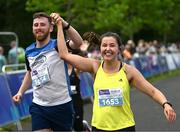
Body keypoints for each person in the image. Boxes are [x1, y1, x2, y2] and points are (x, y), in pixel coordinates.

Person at [51, 13, 176, 131]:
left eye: (112, 45)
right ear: (100, 48)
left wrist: (165, 104)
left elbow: (152, 91)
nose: (107, 49)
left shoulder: (128, 71)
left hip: (124, 127)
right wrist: (61, 25)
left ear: (119, 49)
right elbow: (64, 55)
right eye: (104, 45)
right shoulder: (94, 66)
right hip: (99, 127)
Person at [12, 12, 83, 131]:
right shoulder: (29, 51)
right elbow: (30, 72)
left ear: (50, 28)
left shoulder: (57, 45)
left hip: (62, 105)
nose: (38, 28)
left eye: (42, 25)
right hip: (39, 106)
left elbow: (78, 42)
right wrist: (20, 92)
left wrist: (64, 23)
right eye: (36, 25)